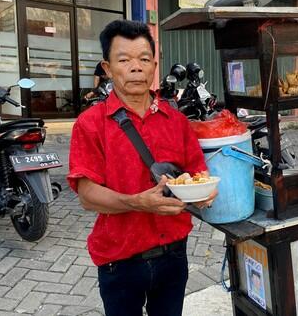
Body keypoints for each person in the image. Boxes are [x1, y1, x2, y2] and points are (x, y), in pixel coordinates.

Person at [67, 19, 217, 316]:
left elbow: (197, 174)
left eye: (144, 59)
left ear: (154, 66)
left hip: (174, 253)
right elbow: (86, 194)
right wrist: (135, 202)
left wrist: (203, 193)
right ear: (107, 69)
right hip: (120, 259)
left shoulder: (176, 122)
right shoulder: (90, 123)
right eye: (124, 60)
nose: (136, 67)